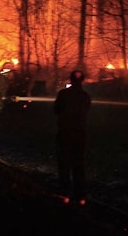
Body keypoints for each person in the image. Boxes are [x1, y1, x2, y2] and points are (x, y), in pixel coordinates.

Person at [54, 69, 92, 205]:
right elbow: (87, 111)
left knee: (64, 163)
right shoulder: (86, 96)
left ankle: (65, 194)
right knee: (78, 164)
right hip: (80, 134)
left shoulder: (63, 94)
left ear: (70, 80)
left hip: (65, 133)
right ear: (82, 81)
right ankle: (81, 196)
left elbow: (56, 110)